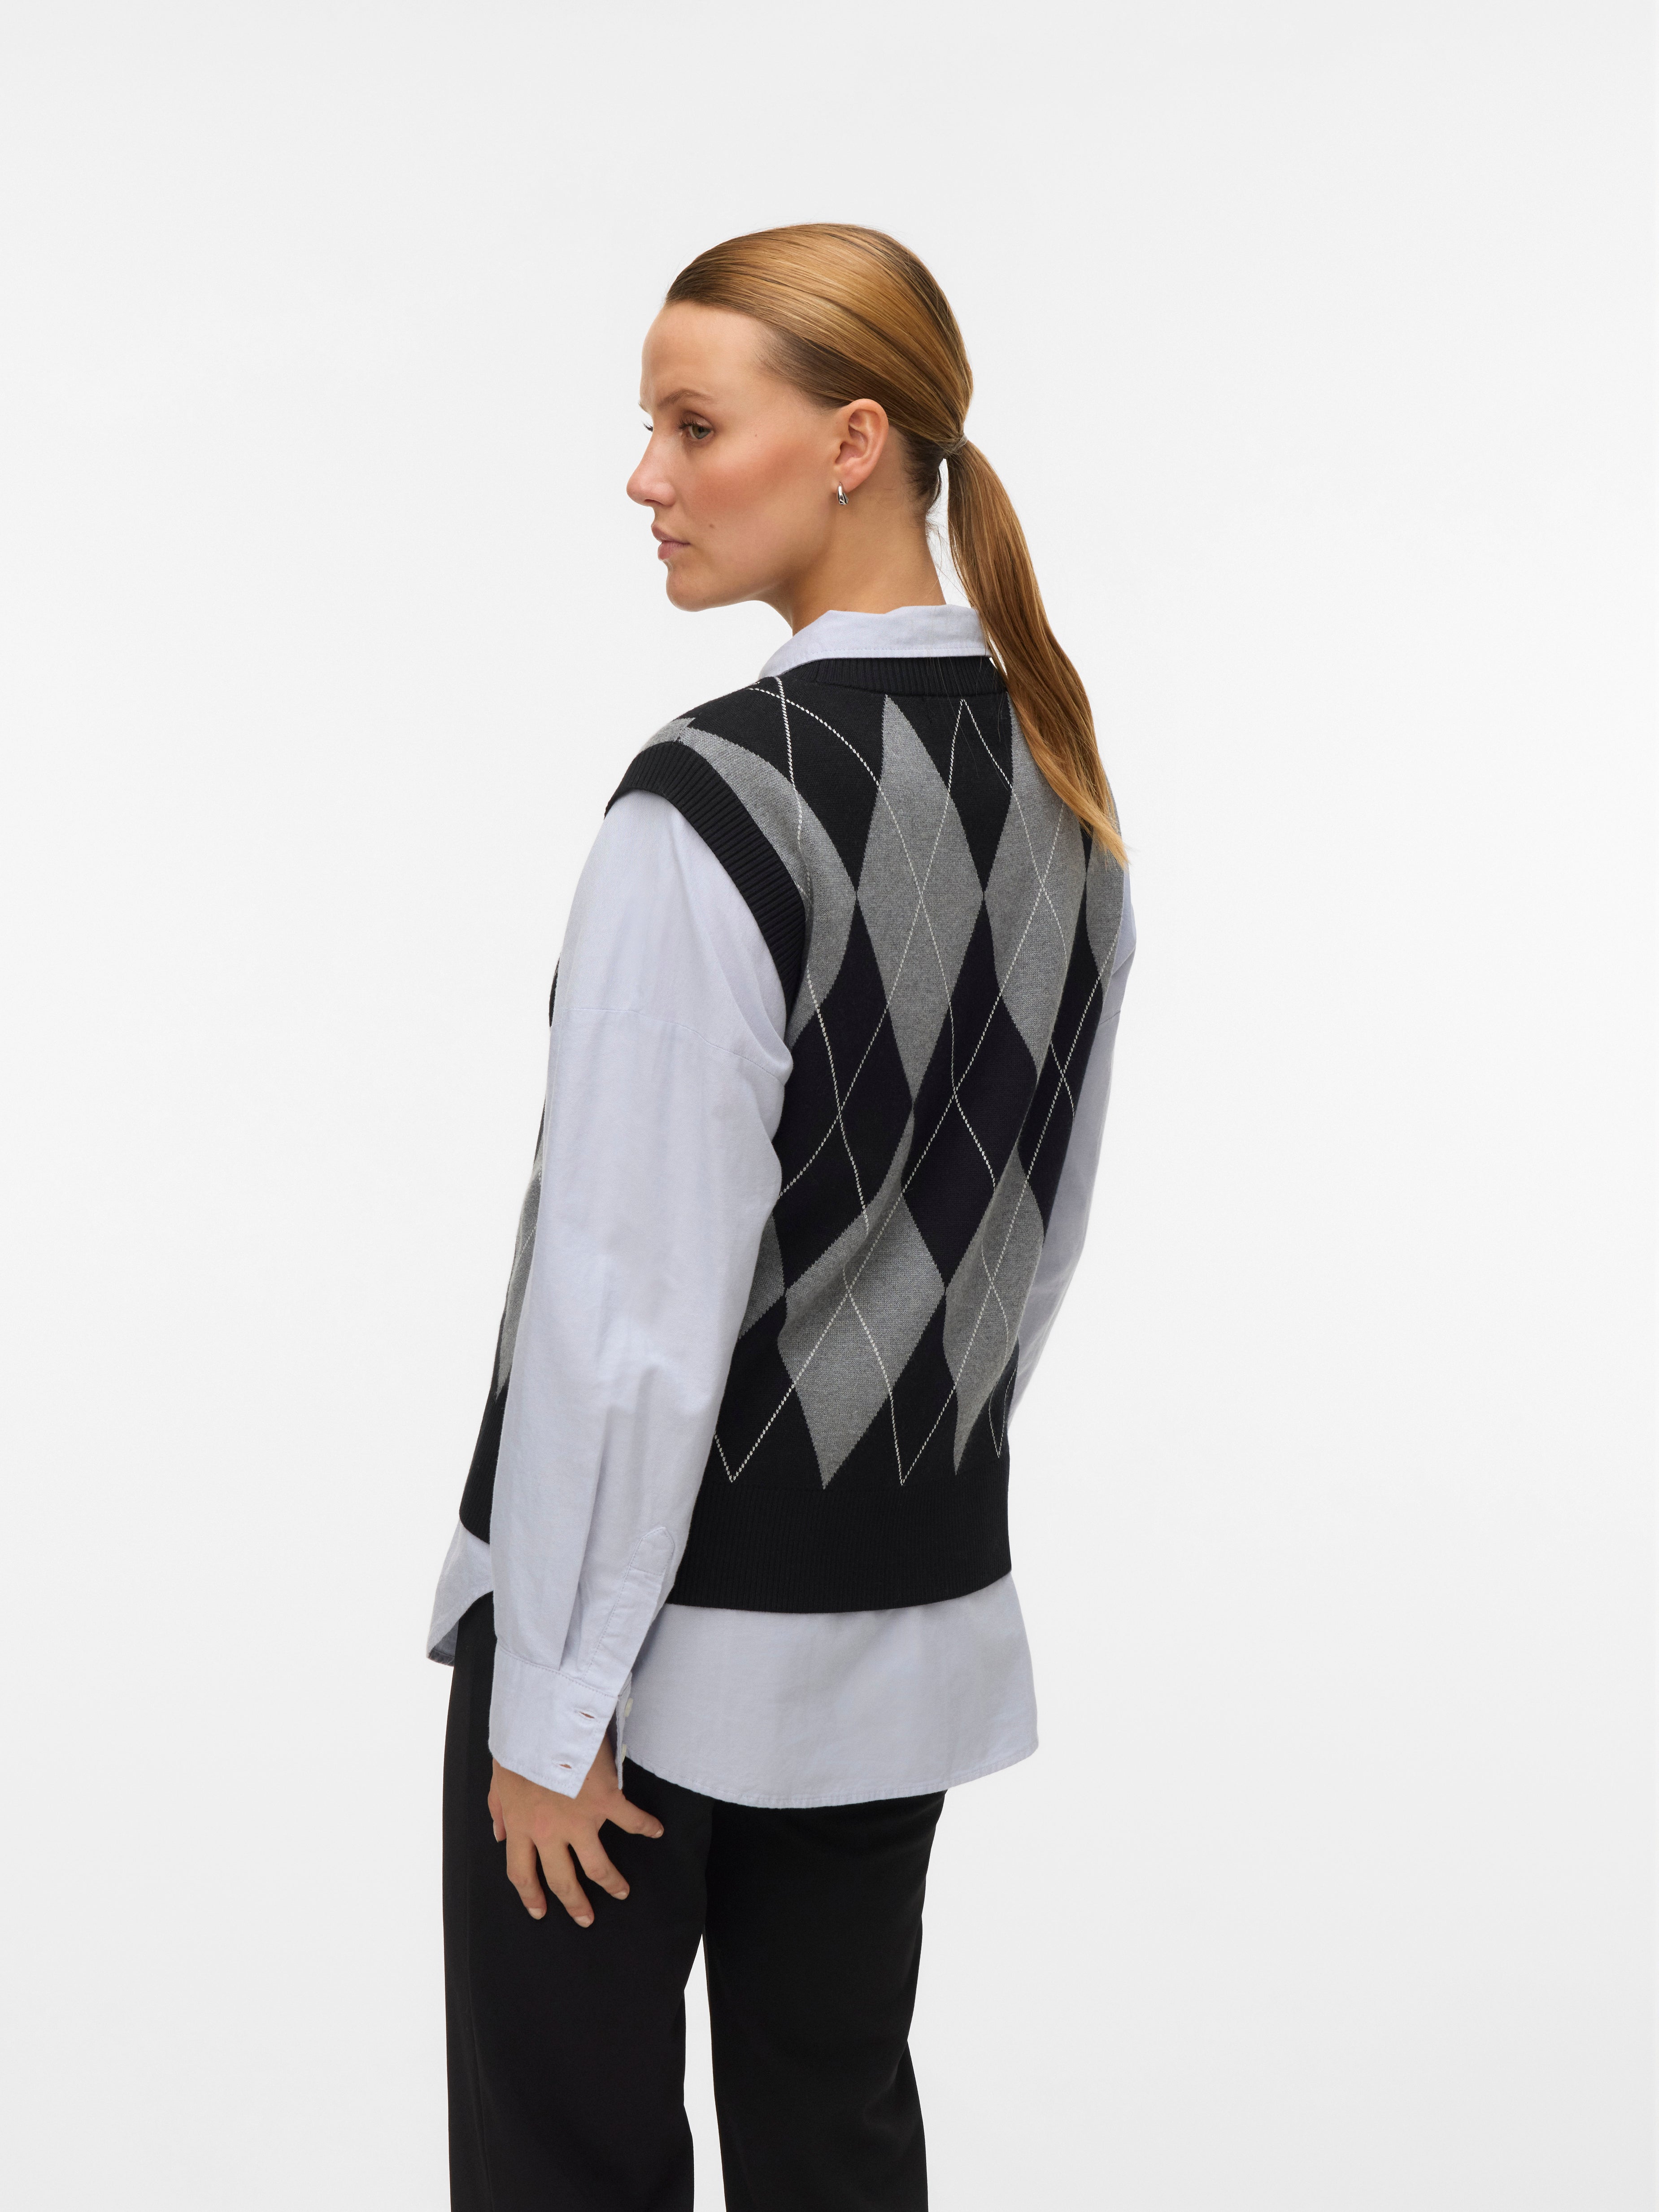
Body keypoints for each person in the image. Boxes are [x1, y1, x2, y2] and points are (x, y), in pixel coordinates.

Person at [427, 222, 1136, 2212]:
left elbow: (625, 1306)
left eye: (689, 424)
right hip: (901, 1616)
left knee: (567, 2168)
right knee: (835, 2146)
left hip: (641, 1651)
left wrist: (555, 1704)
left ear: (850, 441)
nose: (643, 477)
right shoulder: (1063, 787)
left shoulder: (712, 807)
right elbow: (1029, 1247)